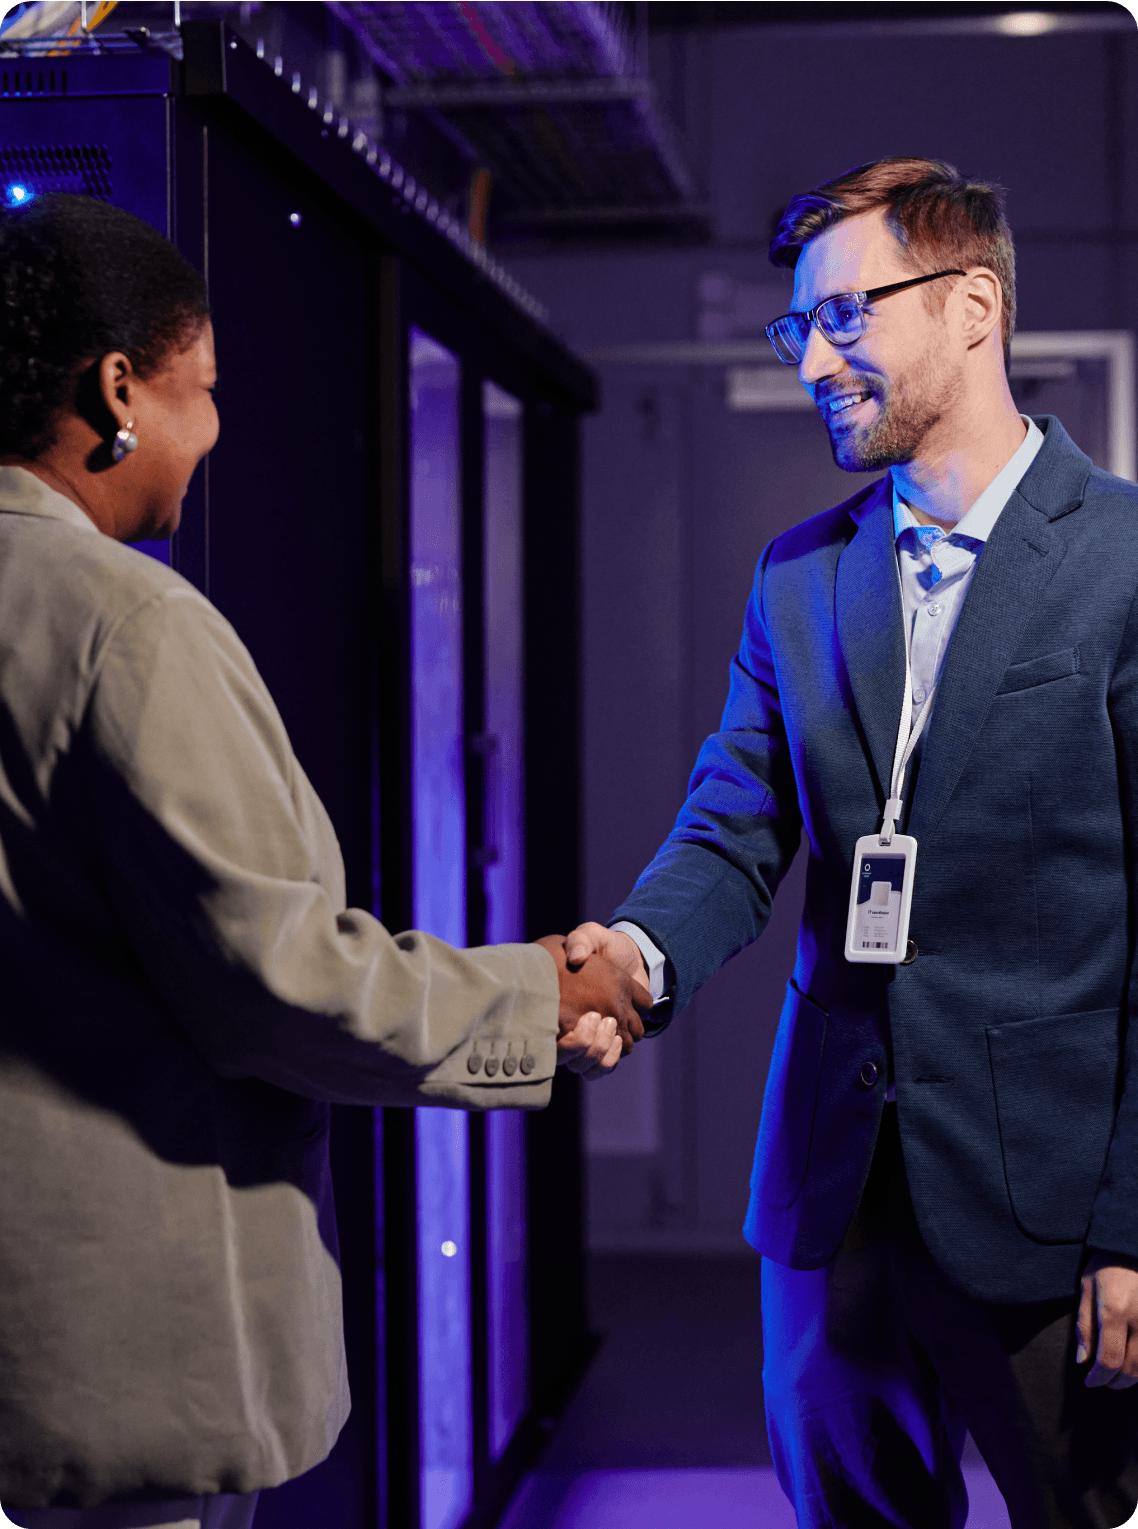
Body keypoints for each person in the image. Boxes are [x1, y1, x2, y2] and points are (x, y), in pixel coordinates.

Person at [0, 193, 650, 1529]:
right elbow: (275, 982)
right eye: (205, 390)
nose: (217, 433)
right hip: (120, 1357)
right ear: (116, 388)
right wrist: (543, 992)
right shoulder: (129, 624)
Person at [566, 157, 1138, 1528]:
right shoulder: (796, 575)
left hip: (1050, 1201)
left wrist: (1130, 1221)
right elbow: (732, 820)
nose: (812, 358)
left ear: (971, 305)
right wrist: (634, 958)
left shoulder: (1121, 561)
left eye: (842, 317)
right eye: (795, 327)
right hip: (831, 1191)